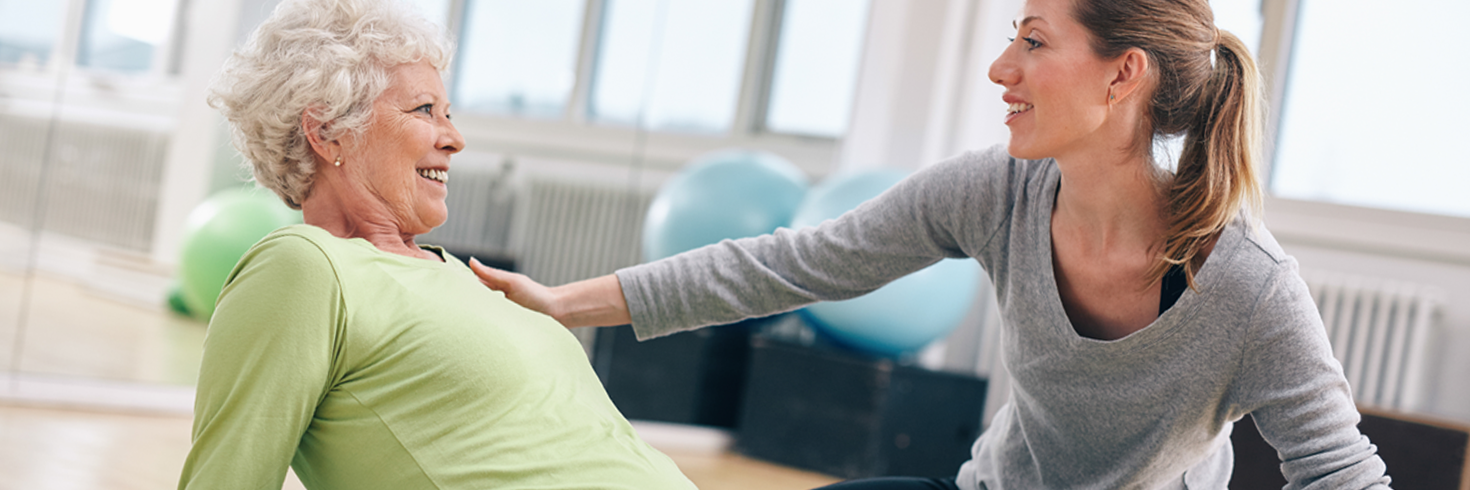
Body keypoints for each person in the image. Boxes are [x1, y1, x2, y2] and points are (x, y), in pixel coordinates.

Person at [469, 0, 1393, 488]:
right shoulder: (995, 191)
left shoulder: (1250, 286)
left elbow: (1343, 475)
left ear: (1125, 75)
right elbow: (792, 262)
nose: (1002, 68)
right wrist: (561, 303)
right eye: (1009, 38)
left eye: (1034, 41)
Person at [176, 1, 695, 488]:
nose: (454, 138)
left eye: (449, 113)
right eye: (425, 110)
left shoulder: (463, 276)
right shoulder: (305, 267)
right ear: (329, 131)